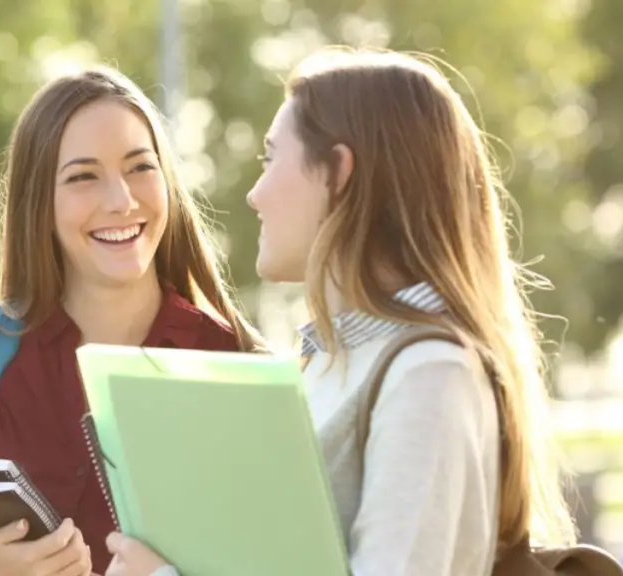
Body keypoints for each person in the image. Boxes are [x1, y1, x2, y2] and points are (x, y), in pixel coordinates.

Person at [103, 48, 577, 576]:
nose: (255, 194)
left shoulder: (429, 373)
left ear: (339, 172)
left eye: (269, 158)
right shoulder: (325, 363)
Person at [0, 65, 266, 576]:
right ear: (39, 203)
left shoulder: (233, 365)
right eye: (83, 177)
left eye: (140, 167)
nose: (121, 201)